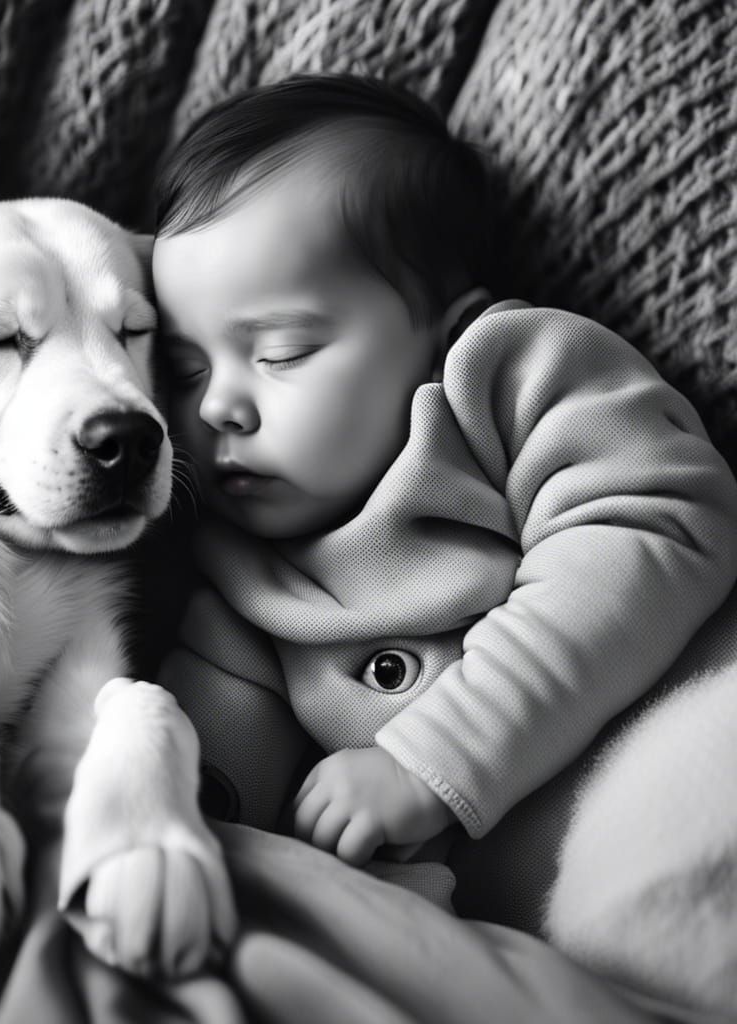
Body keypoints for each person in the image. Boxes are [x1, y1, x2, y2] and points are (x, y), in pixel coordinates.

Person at [150, 74, 737, 868]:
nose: (219, 406)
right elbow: (218, 743)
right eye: (185, 371)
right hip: (494, 934)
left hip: (670, 750)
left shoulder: (509, 381)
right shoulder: (236, 575)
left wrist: (433, 754)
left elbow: (652, 522)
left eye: (279, 353)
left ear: (442, 334)